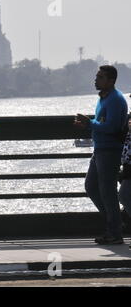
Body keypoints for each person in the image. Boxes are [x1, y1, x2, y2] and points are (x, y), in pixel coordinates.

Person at [75, 65, 128, 245]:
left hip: (110, 150)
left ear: (111, 81)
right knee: (91, 186)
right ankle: (115, 223)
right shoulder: (103, 98)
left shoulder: (115, 99)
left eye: (100, 77)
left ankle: (114, 233)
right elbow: (101, 122)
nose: (96, 80)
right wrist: (89, 124)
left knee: (108, 192)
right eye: (96, 76)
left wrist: (90, 123)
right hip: (99, 149)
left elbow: (112, 127)